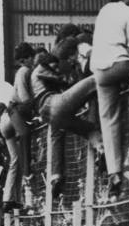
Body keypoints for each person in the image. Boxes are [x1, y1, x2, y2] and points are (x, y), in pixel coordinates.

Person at [31, 39, 101, 197]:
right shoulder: (40, 69)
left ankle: (100, 150)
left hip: (52, 116)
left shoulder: (38, 75)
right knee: (93, 81)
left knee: (89, 129)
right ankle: (122, 77)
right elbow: (62, 81)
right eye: (54, 65)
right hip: (54, 104)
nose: (57, 67)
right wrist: (71, 77)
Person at [91, 0, 129, 197]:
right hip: (120, 65)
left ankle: (115, 172)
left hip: (100, 70)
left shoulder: (103, 12)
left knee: (109, 120)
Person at [0, 42, 36, 212]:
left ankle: (9, 199)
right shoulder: (24, 71)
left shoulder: (20, 71)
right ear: (27, 58)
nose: (32, 61)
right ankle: (24, 189)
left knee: (15, 161)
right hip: (13, 115)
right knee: (25, 137)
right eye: (30, 58)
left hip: (6, 120)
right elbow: (25, 98)